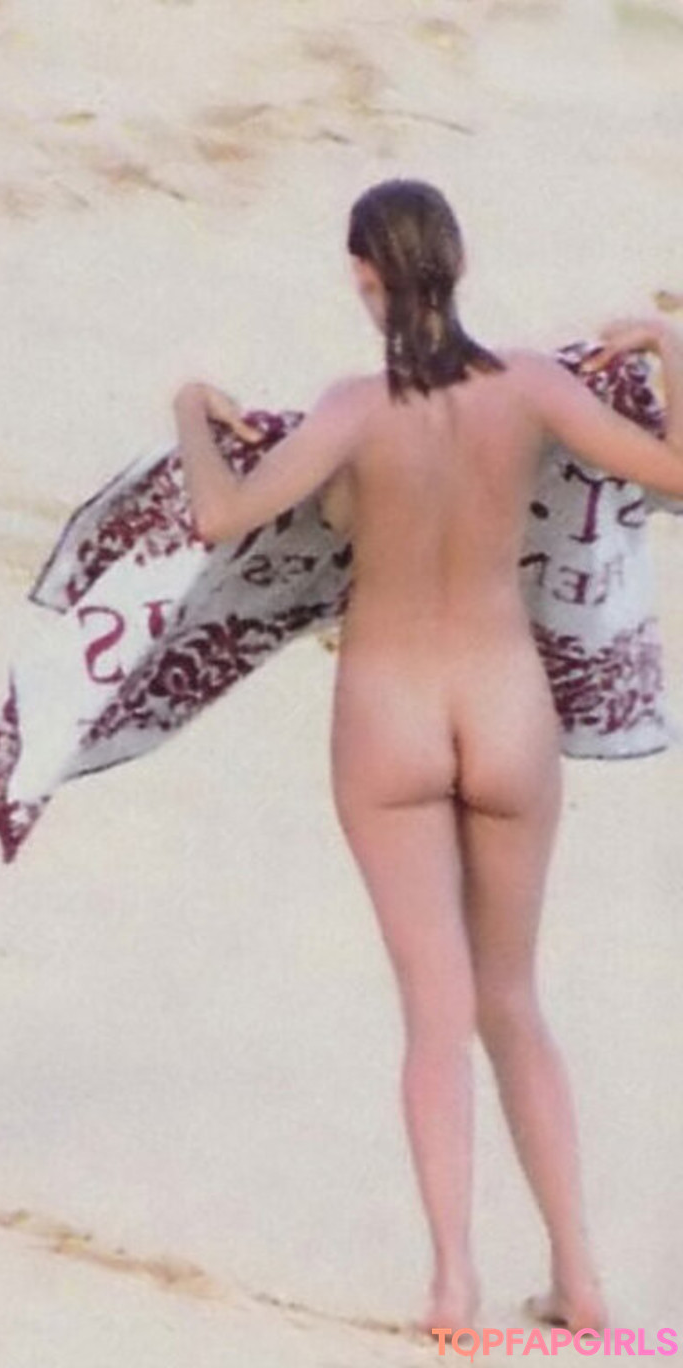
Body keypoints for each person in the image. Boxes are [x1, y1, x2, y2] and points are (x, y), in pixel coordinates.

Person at [174, 179, 683, 1333]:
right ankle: (582, 1280)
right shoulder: (533, 387)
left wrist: (190, 413)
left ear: (365, 276)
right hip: (507, 708)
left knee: (434, 1012)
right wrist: (667, 347)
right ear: (457, 265)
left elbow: (220, 517)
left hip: (391, 710)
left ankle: (453, 1284)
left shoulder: (352, 411)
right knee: (514, 1000)